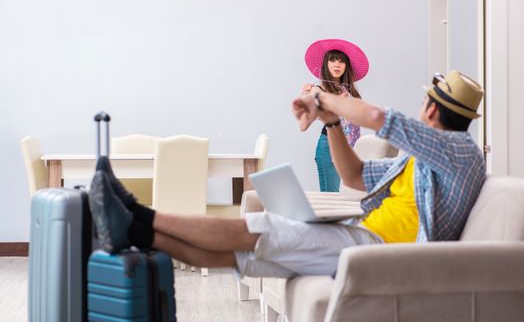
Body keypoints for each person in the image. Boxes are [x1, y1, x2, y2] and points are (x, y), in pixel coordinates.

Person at [90, 69, 486, 278]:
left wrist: (320, 96)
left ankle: (139, 214)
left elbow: (380, 117)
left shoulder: (458, 151)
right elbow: (353, 176)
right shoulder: (422, 160)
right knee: (233, 255)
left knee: (252, 229)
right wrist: (329, 122)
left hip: (376, 249)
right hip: (363, 233)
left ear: (431, 109)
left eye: (423, 102)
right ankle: (138, 231)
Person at [300, 39, 369, 192]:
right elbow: (303, 126)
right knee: (331, 198)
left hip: (349, 151)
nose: (337, 64)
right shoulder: (317, 90)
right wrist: (307, 101)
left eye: (341, 61)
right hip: (329, 147)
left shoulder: (349, 92)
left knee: (348, 199)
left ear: (346, 66)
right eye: (332, 60)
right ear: (326, 63)